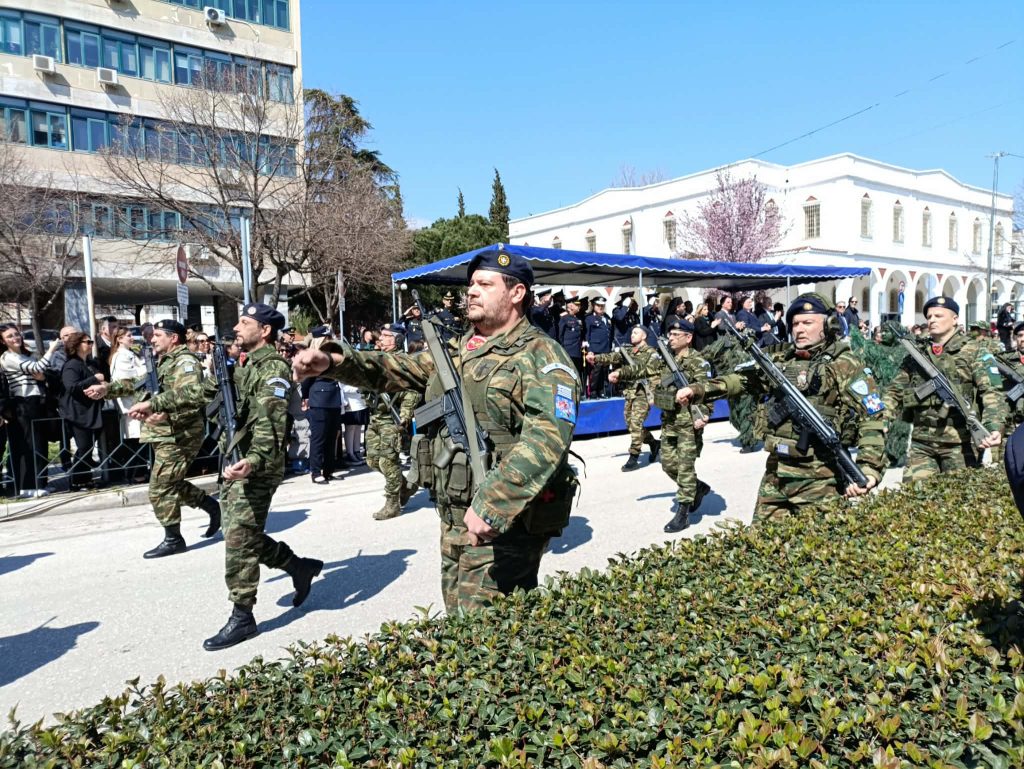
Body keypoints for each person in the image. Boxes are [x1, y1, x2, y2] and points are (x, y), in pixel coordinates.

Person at [292, 248, 580, 613]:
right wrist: (333, 361)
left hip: (504, 524)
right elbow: (392, 368)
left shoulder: (542, 356)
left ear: (517, 293)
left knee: (489, 636)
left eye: (485, 284)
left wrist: (493, 504)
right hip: (453, 515)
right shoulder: (458, 350)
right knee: (459, 620)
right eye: (471, 284)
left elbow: (547, 440)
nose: (471, 291)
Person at [128, 304, 323, 651]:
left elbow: (271, 425)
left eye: (245, 323)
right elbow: (202, 392)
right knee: (241, 534)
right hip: (234, 460)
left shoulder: (273, 369)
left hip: (256, 466)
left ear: (264, 331)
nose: (236, 327)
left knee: (237, 540)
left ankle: (243, 616)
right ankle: (298, 566)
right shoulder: (243, 364)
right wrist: (157, 403)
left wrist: (253, 460)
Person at [677, 293, 886, 521]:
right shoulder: (780, 359)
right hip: (777, 472)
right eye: (795, 323)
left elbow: (873, 416)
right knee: (761, 546)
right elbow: (742, 380)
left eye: (807, 322)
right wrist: (698, 390)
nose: (799, 329)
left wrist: (869, 469)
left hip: (821, 478)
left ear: (828, 325)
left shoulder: (843, 363)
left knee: (819, 550)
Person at [86, 320, 221, 557]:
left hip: (180, 434)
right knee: (171, 482)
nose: (152, 338)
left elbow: (192, 395)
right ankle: (212, 507)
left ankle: (173, 539)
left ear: (174, 338)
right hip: (164, 432)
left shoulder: (185, 362)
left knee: (159, 488)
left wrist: (161, 409)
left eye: (158, 335)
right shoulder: (163, 361)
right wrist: (108, 388)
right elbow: (140, 384)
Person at [883, 296, 1006, 481]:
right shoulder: (918, 353)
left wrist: (993, 426)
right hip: (921, 442)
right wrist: (883, 418)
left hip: (960, 442)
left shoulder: (974, 351)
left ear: (955, 318)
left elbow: (992, 393)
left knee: (959, 503)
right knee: (915, 501)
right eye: (929, 316)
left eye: (938, 315)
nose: (932, 320)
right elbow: (894, 391)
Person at [631, 318, 712, 532]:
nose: (672, 338)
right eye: (671, 334)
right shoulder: (665, 360)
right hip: (669, 422)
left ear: (689, 337)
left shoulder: (698, 362)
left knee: (685, 467)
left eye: (677, 335)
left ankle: (683, 513)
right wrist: (620, 373)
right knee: (667, 464)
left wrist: (702, 415)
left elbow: (707, 391)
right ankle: (698, 487)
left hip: (688, 423)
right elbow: (643, 369)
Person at [364, 326, 420, 520]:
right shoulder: (378, 359)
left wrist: (405, 415)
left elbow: (413, 390)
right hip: (376, 417)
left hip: (392, 418)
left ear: (397, 340)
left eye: (387, 336)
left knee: (388, 461)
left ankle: (392, 503)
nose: (383, 339)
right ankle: (404, 487)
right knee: (372, 460)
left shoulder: (403, 362)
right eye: (383, 336)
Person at [0, 325, 61, 497]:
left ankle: (40, 482)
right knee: (28, 445)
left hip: (35, 402)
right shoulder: (8, 357)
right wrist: (51, 350)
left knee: (40, 444)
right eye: (9, 336)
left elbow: (41, 373)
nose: (15, 338)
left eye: (16, 334)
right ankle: (27, 486)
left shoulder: (22, 355)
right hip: (23, 404)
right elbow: (37, 369)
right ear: (3, 341)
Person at [590, 325, 660, 471]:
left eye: (636, 332)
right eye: (632, 332)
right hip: (630, 392)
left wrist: (620, 373)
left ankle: (634, 456)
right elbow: (612, 357)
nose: (632, 335)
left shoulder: (651, 353)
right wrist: (595, 358)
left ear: (644, 336)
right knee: (632, 425)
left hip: (643, 392)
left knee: (635, 423)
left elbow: (642, 370)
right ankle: (654, 443)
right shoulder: (627, 350)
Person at [60, 331, 105, 491]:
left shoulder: (89, 363)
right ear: (77, 345)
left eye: (91, 342)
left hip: (89, 411)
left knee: (88, 447)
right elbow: (71, 386)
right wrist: (94, 379)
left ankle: (84, 479)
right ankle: (77, 480)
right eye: (88, 342)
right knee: (84, 446)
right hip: (78, 412)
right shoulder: (72, 365)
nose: (91, 344)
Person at [300, 329, 343, 485]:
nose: (330, 339)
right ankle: (316, 471)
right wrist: (305, 397)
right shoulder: (313, 357)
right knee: (319, 438)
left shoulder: (333, 355)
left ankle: (329, 470)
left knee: (332, 437)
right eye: (327, 337)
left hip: (334, 399)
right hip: (319, 399)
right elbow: (306, 380)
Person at [108, 326, 149, 483]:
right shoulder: (121, 356)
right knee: (134, 440)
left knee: (140, 439)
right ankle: (136, 474)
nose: (132, 338)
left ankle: (140, 472)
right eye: (129, 336)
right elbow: (127, 381)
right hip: (131, 403)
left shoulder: (131, 353)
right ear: (119, 339)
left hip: (138, 401)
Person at [584, 296, 613, 397]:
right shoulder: (589, 318)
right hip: (595, 348)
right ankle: (592, 391)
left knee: (603, 371)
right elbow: (587, 335)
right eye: (598, 305)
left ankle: (601, 391)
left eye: (602, 305)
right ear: (593, 305)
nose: (600, 307)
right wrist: (589, 350)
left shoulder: (607, 318)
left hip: (605, 348)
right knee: (595, 372)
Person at [557, 295, 584, 378]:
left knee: (576, 373)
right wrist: (562, 348)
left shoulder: (578, 318)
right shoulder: (564, 318)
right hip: (568, 350)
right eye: (577, 305)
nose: (579, 307)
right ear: (571, 306)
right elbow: (560, 334)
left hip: (577, 350)